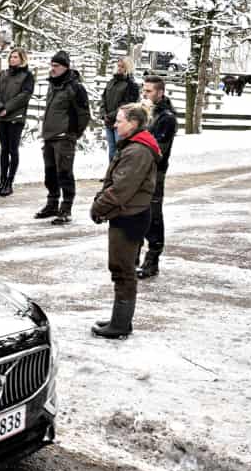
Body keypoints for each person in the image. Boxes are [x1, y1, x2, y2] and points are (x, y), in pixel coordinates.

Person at [89, 103, 160, 339]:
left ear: (134, 123)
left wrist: (99, 206)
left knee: (122, 269)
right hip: (128, 213)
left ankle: (120, 324)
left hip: (129, 216)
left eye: (120, 120)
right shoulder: (132, 147)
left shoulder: (137, 151)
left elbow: (121, 188)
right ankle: (120, 319)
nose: (115, 124)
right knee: (122, 268)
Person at [35, 51, 91, 225]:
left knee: (64, 173)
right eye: (52, 65)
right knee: (50, 173)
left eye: (56, 66)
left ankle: (66, 208)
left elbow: (84, 114)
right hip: (49, 135)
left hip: (64, 137)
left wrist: (73, 133)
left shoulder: (75, 87)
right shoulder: (53, 85)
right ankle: (52, 203)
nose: (53, 69)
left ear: (66, 67)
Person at [136, 77, 177, 279]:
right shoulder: (141, 112)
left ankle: (152, 260)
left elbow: (158, 149)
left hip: (154, 173)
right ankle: (132, 257)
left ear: (160, 93)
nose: (145, 94)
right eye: (144, 90)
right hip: (136, 171)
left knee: (153, 215)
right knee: (133, 213)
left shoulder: (166, 118)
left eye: (149, 91)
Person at [0, 49, 35, 196]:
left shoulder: (27, 76)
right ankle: (2, 181)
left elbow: (25, 96)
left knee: (12, 149)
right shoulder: (3, 74)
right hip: (2, 116)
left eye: (15, 57)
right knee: (3, 150)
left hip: (16, 118)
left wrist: (7, 108)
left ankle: (9, 182)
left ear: (22, 59)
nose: (12, 59)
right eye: (11, 56)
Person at [101, 58, 141, 159]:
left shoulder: (131, 85)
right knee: (111, 150)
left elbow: (127, 105)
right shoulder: (111, 82)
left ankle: (120, 173)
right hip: (109, 122)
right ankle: (111, 173)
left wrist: (111, 116)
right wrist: (103, 114)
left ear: (128, 68)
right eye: (118, 66)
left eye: (122, 66)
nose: (119, 68)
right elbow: (103, 99)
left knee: (121, 150)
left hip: (122, 123)